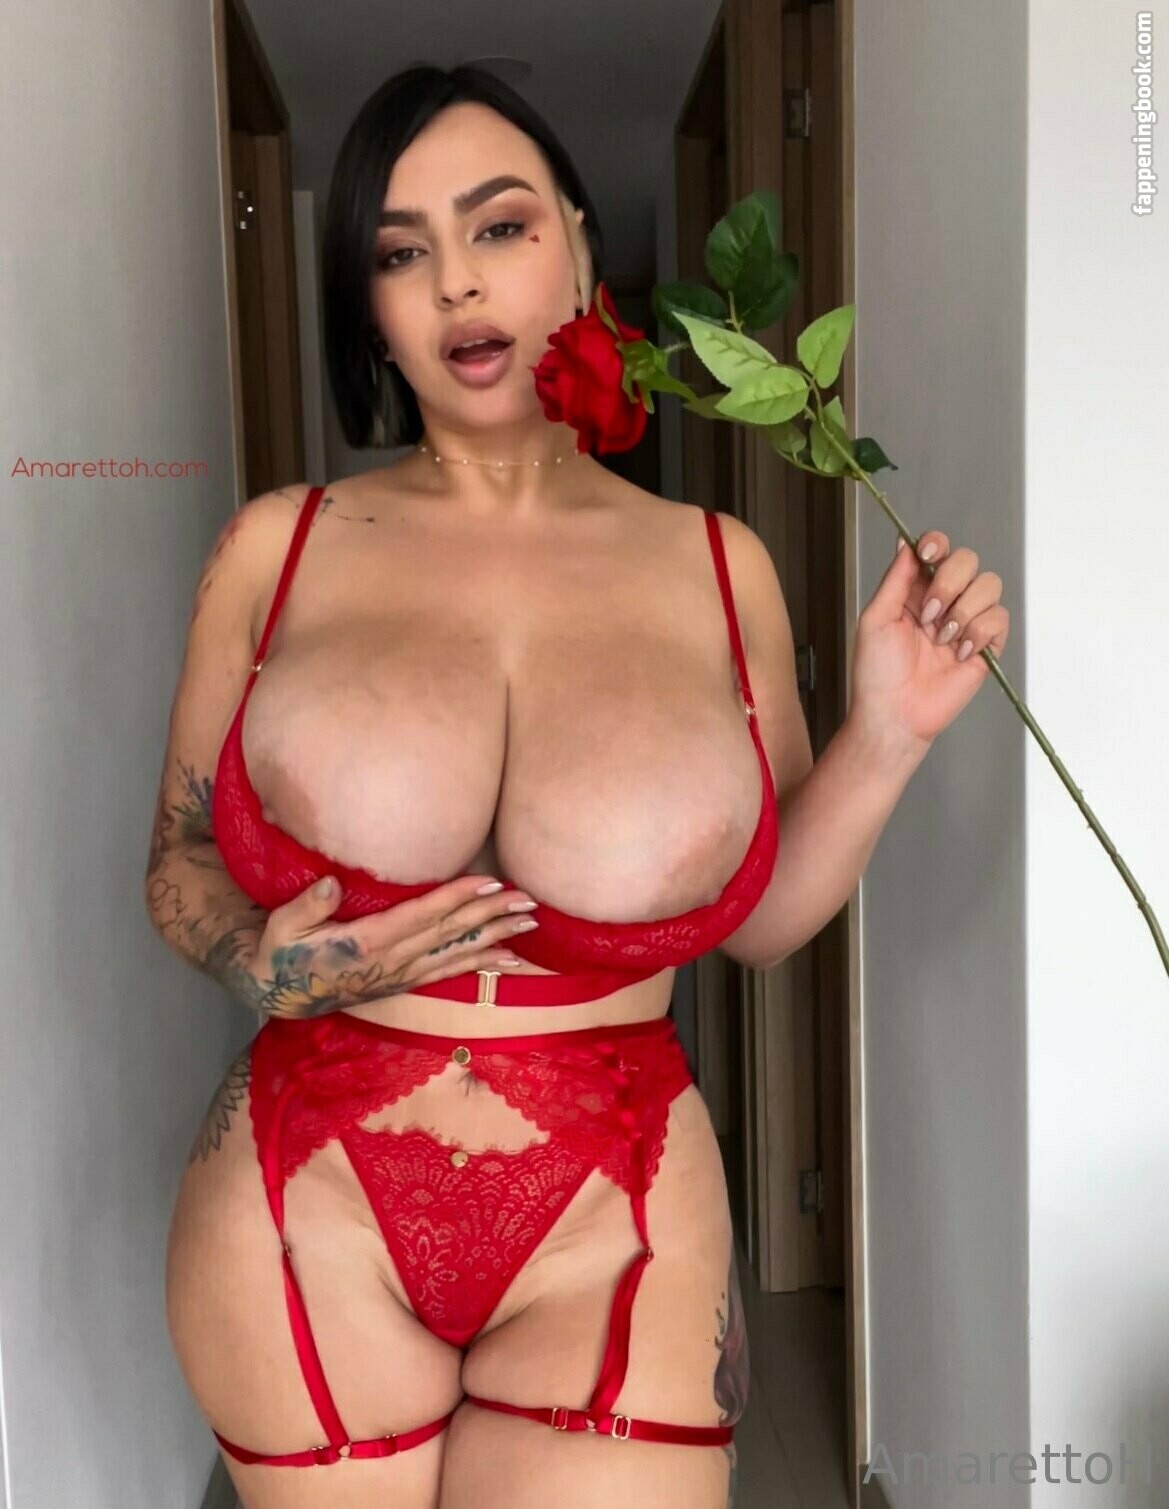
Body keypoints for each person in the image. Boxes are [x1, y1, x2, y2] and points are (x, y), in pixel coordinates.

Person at [146, 61, 1009, 1509]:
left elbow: (761, 923)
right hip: (307, 1199)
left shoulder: (717, 565)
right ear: (370, 305)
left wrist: (889, 732)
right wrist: (254, 956)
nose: (455, 282)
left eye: (499, 225)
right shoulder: (276, 550)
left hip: (616, 1204)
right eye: (401, 252)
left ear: (581, 248)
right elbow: (175, 857)